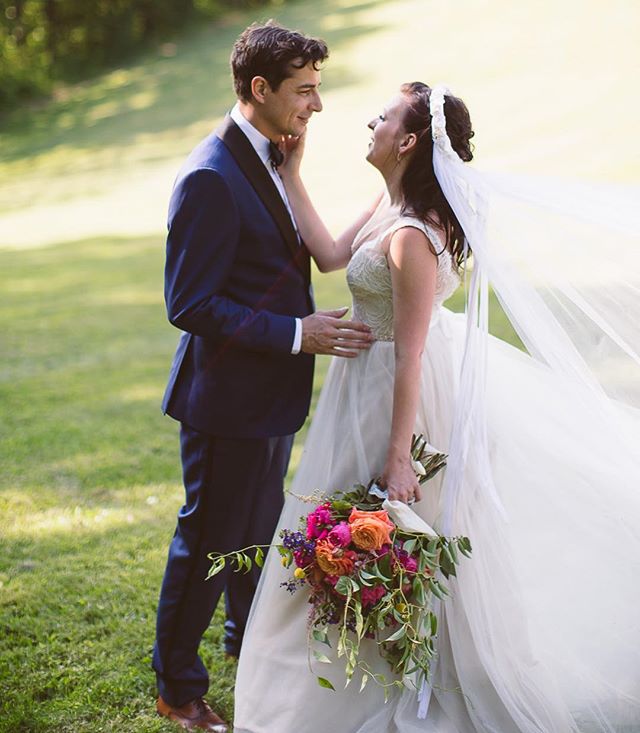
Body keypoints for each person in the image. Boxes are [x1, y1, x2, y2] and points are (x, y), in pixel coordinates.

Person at [232, 82, 640, 732]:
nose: (370, 121)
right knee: (358, 536)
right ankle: (356, 681)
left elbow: (411, 353)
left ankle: (419, 681)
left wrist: (400, 456)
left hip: (403, 396)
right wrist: (295, 173)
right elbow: (332, 254)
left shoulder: (414, 235)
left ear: (410, 140)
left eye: (384, 116)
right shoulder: (389, 204)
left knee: (398, 529)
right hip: (359, 388)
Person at [153, 22, 376, 732]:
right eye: (304, 90)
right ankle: (179, 689)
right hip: (225, 402)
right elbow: (188, 303)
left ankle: (245, 644)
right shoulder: (210, 176)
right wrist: (296, 333)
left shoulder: (272, 160)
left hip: (265, 399)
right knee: (208, 543)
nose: (317, 104)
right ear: (260, 89)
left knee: (252, 530)